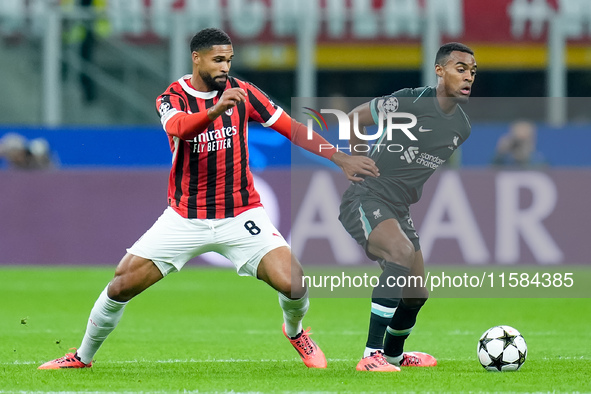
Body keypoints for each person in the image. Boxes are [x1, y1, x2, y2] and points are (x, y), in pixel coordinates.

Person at [38, 28, 378, 370]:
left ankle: (296, 332)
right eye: (218, 60)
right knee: (120, 285)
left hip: (240, 214)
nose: (224, 67)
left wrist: (340, 157)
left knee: (294, 283)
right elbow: (181, 128)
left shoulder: (242, 92)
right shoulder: (171, 98)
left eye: (229, 60)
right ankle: (81, 357)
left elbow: (290, 127)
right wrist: (216, 111)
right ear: (196, 58)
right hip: (185, 217)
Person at [338, 42, 477, 372]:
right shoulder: (410, 101)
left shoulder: (462, 128)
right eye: (461, 68)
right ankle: (371, 355)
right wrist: (357, 162)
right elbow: (356, 118)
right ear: (439, 71)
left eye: (473, 71)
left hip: (398, 208)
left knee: (416, 293)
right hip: (367, 196)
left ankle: (394, 355)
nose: (469, 75)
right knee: (399, 253)